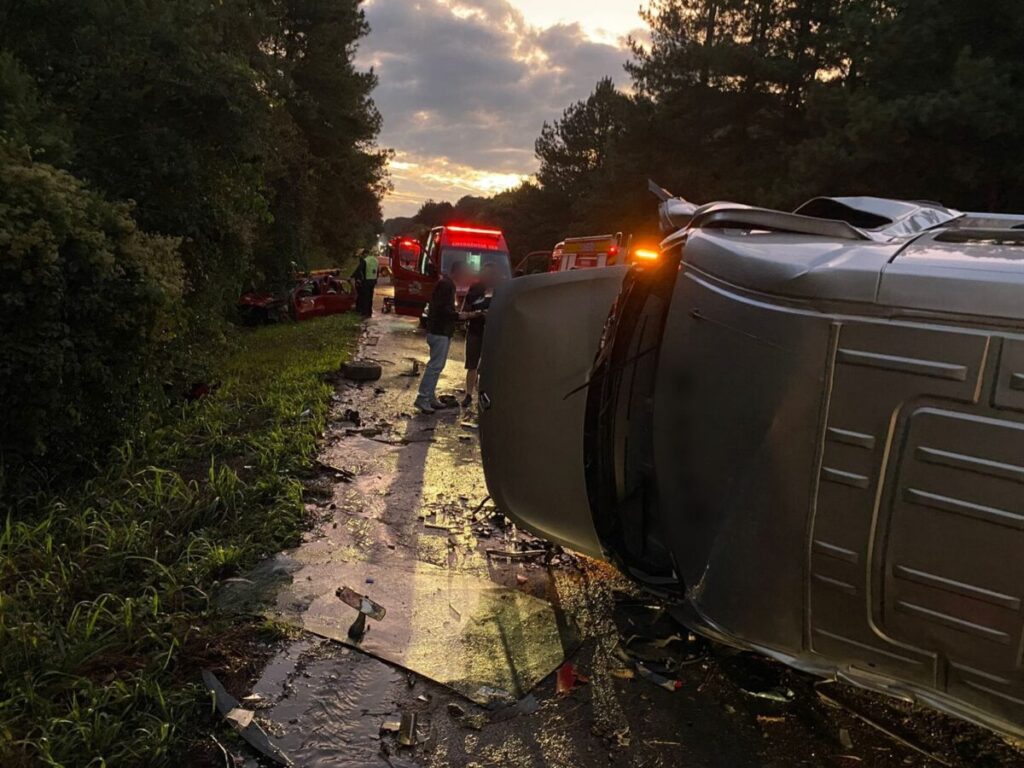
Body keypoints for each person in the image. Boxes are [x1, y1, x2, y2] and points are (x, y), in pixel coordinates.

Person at [415, 261, 469, 414]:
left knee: (436, 366)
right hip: (440, 331)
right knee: (435, 366)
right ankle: (423, 397)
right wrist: (458, 315)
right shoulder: (447, 285)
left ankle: (429, 396)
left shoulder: (444, 283)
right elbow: (443, 309)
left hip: (437, 330)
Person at [461, 263, 499, 408]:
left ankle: (482, 397)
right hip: (475, 331)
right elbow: (465, 311)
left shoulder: (499, 290)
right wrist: (477, 314)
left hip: (492, 333)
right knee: (471, 365)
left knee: (487, 367)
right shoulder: (475, 289)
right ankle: (469, 395)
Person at [351, 248, 379, 317]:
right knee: (370, 297)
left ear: (365, 254)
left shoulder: (366, 260)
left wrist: (352, 276)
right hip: (373, 281)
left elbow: (359, 269)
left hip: (366, 281)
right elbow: (377, 271)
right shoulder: (376, 260)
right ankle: (369, 312)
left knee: (365, 297)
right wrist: (375, 279)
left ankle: (365, 313)